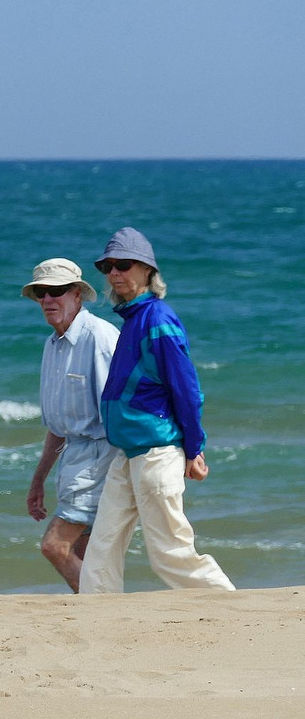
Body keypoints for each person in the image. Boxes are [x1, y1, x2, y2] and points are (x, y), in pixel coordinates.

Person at [77, 227, 235, 593]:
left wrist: (193, 449)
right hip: (129, 453)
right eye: (108, 267)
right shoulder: (134, 320)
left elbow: (187, 390)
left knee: (170, 553)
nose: (115, 273)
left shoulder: (158, 320)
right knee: (102, 547)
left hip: (156, 453)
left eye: (124, 265)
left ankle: (232, 609)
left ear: (147, 270)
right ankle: (96, 620)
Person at [22, 258, 119, 592]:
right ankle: (101, 618)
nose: (49, 299)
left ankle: (104, 607)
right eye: (41, 293)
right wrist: (39, 480)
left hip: (102, 458)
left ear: (77, 294)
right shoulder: (53, 346)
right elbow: (58, 427)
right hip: (73, 462)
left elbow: (123, 409)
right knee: (84, 553)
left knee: (55, 546)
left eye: (58, 291)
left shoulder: (100, 339)